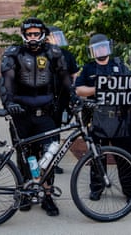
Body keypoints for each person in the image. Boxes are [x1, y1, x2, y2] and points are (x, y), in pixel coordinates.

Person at [0, 17, 72, 216]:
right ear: (24, 34)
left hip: (46, 114)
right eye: (29, 33)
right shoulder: (14, 53)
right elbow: (6, 81)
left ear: (42, 34)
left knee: (49, 155)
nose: (32, 37)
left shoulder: (53, 53)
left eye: (36, 33)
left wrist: (74, 99)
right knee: (26, 156)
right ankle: (26, 192)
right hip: (21, 114)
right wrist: (9, 103)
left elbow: (66, 80)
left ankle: (47, 196)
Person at [75, 33, 131, 202]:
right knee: (97, 158)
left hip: (120, 119)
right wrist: (98, 88)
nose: (100, 51)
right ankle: (97, 188)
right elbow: (79, 90)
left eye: (103, 47)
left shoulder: (120, 64)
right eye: (97, 48)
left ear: (108, 47)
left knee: (124, 156)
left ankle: (130, 190)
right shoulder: (88, 68)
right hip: (97, 118)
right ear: (92, 51)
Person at [47, 26, 79, 174]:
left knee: (56, 131)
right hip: (44, 99)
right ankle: (46, 162)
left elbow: (74, 75)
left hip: (62, 99)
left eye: (59, 36)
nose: (57, 39)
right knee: (46, 131)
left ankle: (52, 162)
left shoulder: (67, 54)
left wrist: (73, 94)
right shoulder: (43, 54)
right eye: (54, 36)